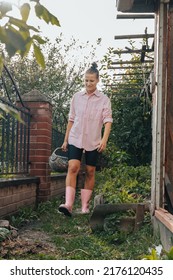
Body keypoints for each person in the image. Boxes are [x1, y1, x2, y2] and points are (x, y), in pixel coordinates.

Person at [59, 62, 113, 216]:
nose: (88, 83)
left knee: (90, 171)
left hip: (94, 140)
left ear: (97, 81)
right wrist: (65, 140)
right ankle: (68, 205)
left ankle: (84, 207)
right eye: (86, 80)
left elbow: (107, 121)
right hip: (75, 138)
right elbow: (71, 119)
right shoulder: (76, 97)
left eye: (91, 80)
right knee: (73, 167)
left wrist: (104, 140)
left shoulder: (104, 100)